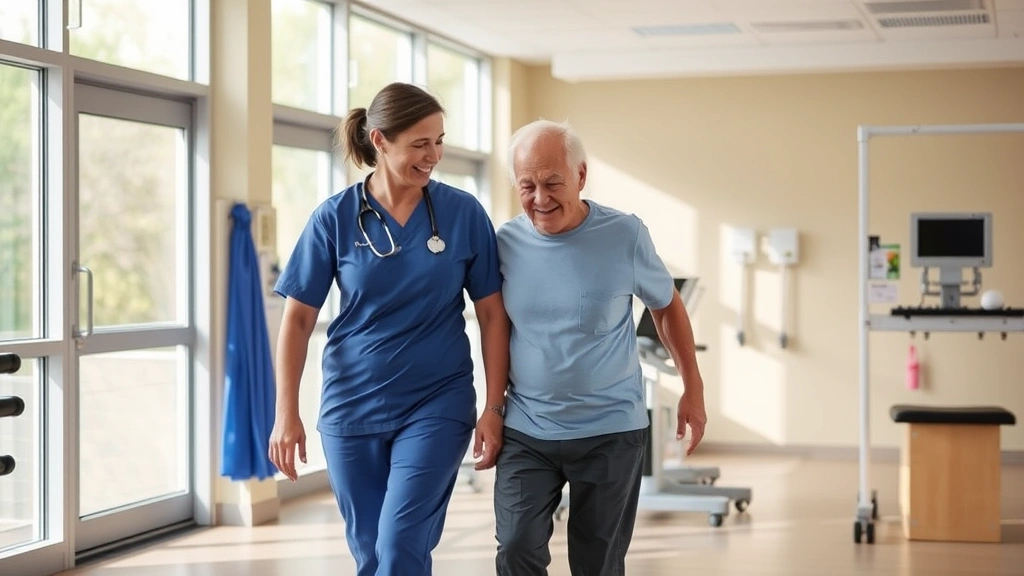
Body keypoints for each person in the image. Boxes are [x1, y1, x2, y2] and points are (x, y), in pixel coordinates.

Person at [268, 82, 510, 576]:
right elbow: (297, 319)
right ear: (379, 141)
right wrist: (285, 414)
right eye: (420, 144)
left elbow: (492, 315)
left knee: (400, 547)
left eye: (439, 141)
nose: (434, 156)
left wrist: (492, 405)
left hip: (436, 402)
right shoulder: (333, 219)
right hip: (351, 405)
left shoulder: (463, 214)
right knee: (372, 554)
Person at [493, 119, 708, 576]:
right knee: (515, 548)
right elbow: (492, 327)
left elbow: (667, 306)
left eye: (553, 183)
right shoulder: (505, 243)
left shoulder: (624, 235)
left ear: (581, 176)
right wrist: (491, 410)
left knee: (597, 562)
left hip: (610, 430)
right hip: (528, 429)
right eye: (526, 185)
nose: (540, 198)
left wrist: (693, 387)